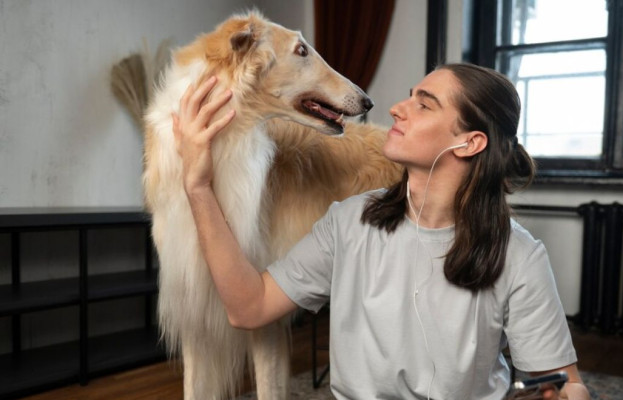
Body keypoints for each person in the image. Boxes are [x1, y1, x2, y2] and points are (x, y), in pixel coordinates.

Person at [172, 63, 591, 400]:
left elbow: (558, 381)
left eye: (424, 105)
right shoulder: (349, 222)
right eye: (409, 96)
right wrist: (198, 186)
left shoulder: (519, 255)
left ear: (469, 143)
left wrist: (571, 392)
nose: (397, 108)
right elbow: (249, 307)